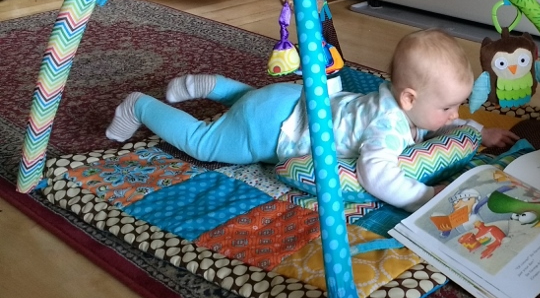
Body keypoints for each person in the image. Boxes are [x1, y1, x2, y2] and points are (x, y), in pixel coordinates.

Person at [106, 28, 519, 212]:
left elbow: (447, 123)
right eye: (449, 108)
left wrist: (481, 132)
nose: (454, 116)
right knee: (204, 142)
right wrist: (424, 197)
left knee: (251, 100)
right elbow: (376, 175)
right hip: (269, 130)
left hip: (292, 98)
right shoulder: (387, 128)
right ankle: (140, 105)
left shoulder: (398, 101)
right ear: (409, 98)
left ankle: (212, 85)